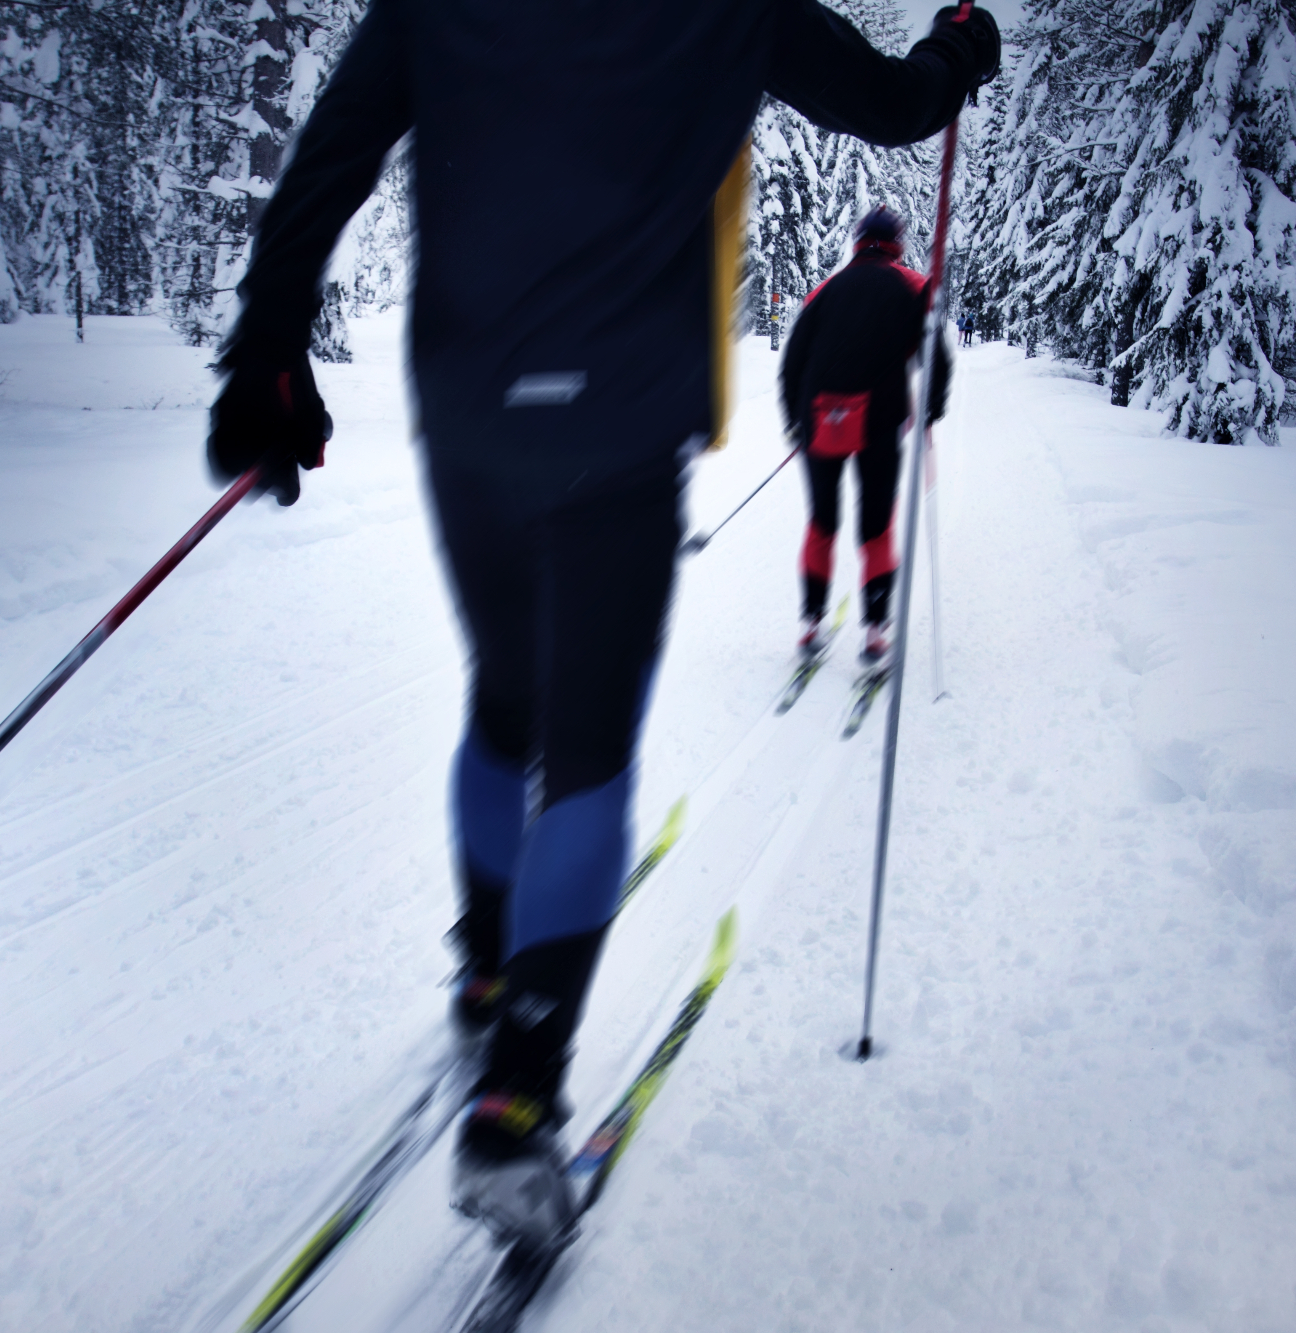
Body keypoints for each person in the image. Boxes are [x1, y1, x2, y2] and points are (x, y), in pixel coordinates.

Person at [203, 0, 999, 1247]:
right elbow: (894, 105)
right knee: (584, 750)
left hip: (471, 414)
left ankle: (482, 965)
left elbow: (334, 153)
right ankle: (516, 1102)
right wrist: (962, 45)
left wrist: (264, 353)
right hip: (620, 427)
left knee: (505, 694)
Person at [780, 205, 951, 670]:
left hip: (821, 419)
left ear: (857, 244)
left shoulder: (825, 290)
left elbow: (793, 360)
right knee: (876, 527)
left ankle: (811, 624)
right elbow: (937, 354)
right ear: (896, 244)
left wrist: (793, 421)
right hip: (879, 419)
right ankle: (875, 631)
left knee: (822, 523)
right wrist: (932, 406)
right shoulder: (914, 287)